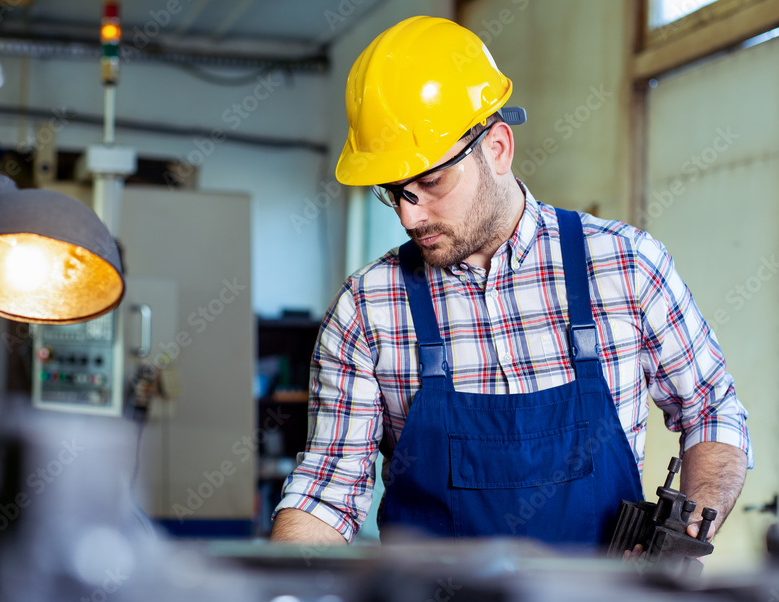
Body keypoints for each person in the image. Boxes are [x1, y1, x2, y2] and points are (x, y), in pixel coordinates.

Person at [271, 16, 751, 547]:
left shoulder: (625, 264)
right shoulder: (367, 308)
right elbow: (326, 490)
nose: (409, 216)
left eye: (430, 181)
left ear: (497, 147)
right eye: (394, 191)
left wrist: (684, 533)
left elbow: (711, 409)